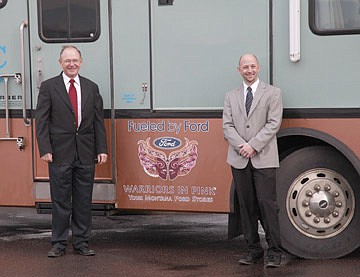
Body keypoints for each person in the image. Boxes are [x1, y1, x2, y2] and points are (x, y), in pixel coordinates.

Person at [36, 45, 108, 258]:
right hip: (59, 154)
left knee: (83, 200)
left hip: (85, 153)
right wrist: (45, 149)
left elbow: (98, 121)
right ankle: (58, 244)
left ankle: (81, 243)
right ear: (60, 63)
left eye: (75, 60)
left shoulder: (91, 87)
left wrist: (101, 149)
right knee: (60, 201)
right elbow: (42, 121)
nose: (71, 64)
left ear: (81, 61)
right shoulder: (49, 87)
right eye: (67, 60)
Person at [222, 54, 284, 267]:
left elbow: (274, 124)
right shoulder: (230, 96)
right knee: (246, 206)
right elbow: (227, 126)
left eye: (252, 66)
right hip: (239, 159)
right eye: (245, 67)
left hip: (264, 158)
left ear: (258, 68)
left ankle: (275, 251)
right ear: (238, 69)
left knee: (268, 204)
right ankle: (253, 250)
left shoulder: (273, 93)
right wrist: (242, 146)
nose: (249, 70)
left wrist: (253, 145)